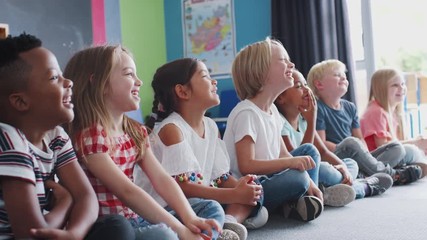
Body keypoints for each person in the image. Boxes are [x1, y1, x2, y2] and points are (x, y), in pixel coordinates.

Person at [63, 45, 222, 240]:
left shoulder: (135, 131)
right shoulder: (90, 137)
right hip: (114, 228)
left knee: (209, 207)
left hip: (138, 218)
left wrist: (190, 219)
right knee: (164, 234)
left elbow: (162, 179)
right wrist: (181, 230)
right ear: (100, 84)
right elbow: (127, 192)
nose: (139, 82)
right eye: (129, 74)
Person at [0, 33, 135, 240]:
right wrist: (65, 204)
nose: (69, 82)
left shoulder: (56, 136)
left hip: (55, 230)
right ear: (21, 101)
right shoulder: (8, 140)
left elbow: (87, 197)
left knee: (116, 226)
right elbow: (32, 234)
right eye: (54, 77)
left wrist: (75, 233)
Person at [136, 58, 270, 240]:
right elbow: (183, 189)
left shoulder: (211, 126)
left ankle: (229, 222)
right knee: (211, 207)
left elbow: (220, 178)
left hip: (198, 201)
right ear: (182, 91)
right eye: (206, 76)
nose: (214, 81)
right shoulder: (172, 129)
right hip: (166, 209)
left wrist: (243, 187)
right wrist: (234, 194)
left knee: (255, 190)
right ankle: (219, 228)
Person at [223, 37, 323, 222]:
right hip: (251, 186)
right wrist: (293, 166)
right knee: (298, 178)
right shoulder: (246, 112)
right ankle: (292, 203)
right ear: (261, 72)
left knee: (309, 152)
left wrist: (310, 182)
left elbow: (283, 154)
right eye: (283, 61)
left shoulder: (273, 110)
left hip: (269, 178)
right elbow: (246, 166)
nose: (291, 64)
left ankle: (304, 199)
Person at [275, 69, 393, 202]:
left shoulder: (303, 120)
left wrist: (343, 168)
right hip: (301, 174)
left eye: (305, 84)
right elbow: (300, 160)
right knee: (324, 169)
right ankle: (364, 187)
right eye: (298, 86)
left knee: (350, 163)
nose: (306, 90)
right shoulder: (281, 122)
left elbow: (323, 152)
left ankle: (330, 191)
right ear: (281, 98)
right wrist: (312, 121)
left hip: (316, 171)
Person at [306, 59, 421, 185]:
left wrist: (364, 155)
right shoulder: (318, 108)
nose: (343, 78)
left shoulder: (350, 107)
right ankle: (392, 174)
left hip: (357, 154)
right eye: (337, 75)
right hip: (336, 155)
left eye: (344, 75)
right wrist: (354, 149)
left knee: (397, 147)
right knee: (351, 142)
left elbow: (360, 138)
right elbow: (322, 144)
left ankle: (365, 174)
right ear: (319, 84)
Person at [360, 68, 427, 182]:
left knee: (416, 148)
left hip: (390, 158)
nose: (401, 88)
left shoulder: (394, 112)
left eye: (402, 84)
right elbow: (384, 146)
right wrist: (415, 143)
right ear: (381, 89)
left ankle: (406, 171)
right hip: (375, 160)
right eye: (395, 85)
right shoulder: (376, 111)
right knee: (412, 150)